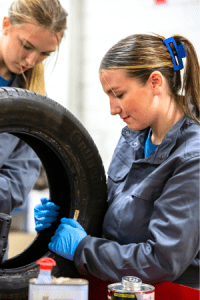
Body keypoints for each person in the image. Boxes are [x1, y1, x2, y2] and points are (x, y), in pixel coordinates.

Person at [35, 33, 200, 291]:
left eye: (119, 94)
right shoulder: (134, 137)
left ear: (155, 82)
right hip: (117, 285)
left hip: (171, 293)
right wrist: (66, 218)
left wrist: (82, 247)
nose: (112, 108)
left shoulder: (193, 158)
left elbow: (161, 261)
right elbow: (116, 218)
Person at [0, 0, 67, 256]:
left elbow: (15, 186)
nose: (31, 60)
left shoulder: (33, 105)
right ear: (6, 25)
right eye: (26, 46)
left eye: (44, 53)